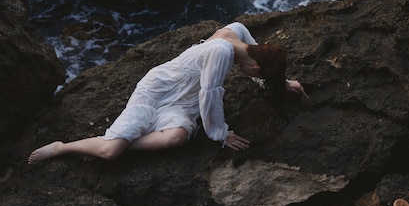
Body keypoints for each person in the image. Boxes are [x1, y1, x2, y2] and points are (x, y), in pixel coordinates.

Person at [28, 22, 307, 164]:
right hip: (158, 92)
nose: (253, 76)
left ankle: (122, 143)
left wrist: (281, 84)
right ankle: (62, 148)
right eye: (258, 74)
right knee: (110, 152)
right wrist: (221, 134)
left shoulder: (236, 32)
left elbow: (257, 60)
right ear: (256, 66)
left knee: (176, 138)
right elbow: (209, 95)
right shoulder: (221, 51)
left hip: (182, 101)